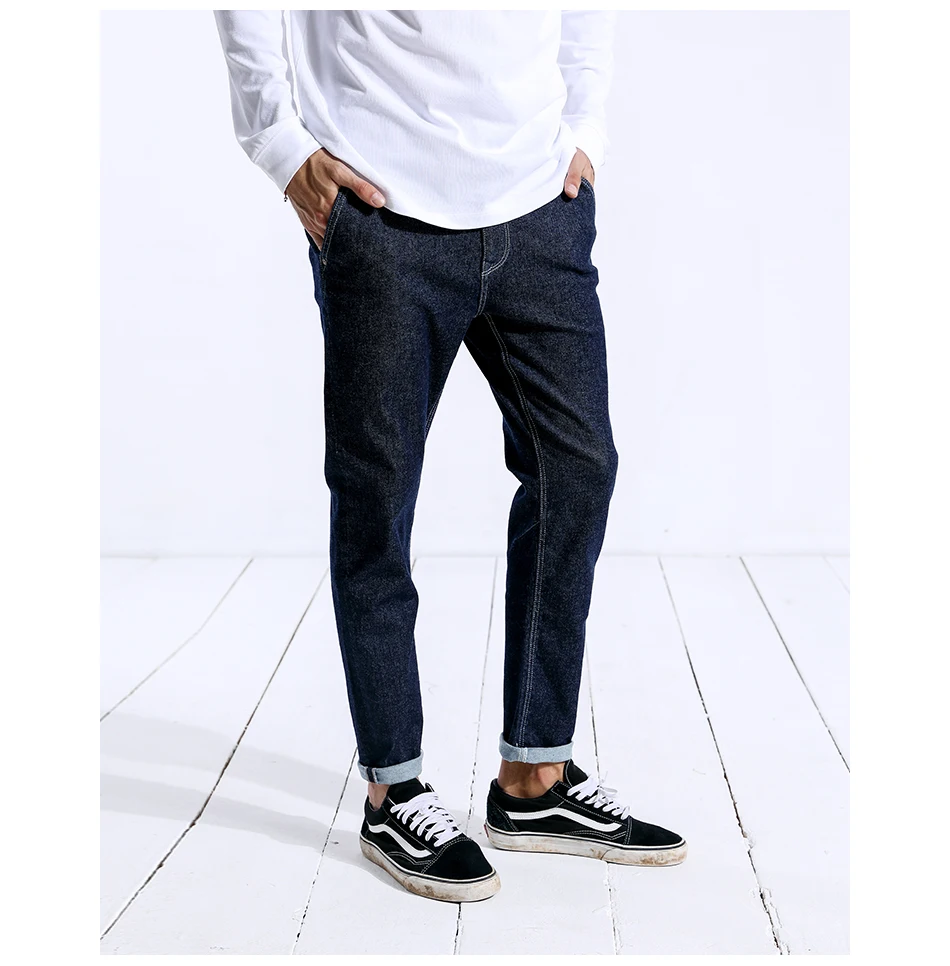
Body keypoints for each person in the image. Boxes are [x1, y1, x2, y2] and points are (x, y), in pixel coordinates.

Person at [214, 9, 686, 903]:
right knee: (378, 499)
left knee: (578, 467)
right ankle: (393, 790)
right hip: (381, 213)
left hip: (540, 208)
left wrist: (584, 127)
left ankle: (535, 779)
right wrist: (280, 146)